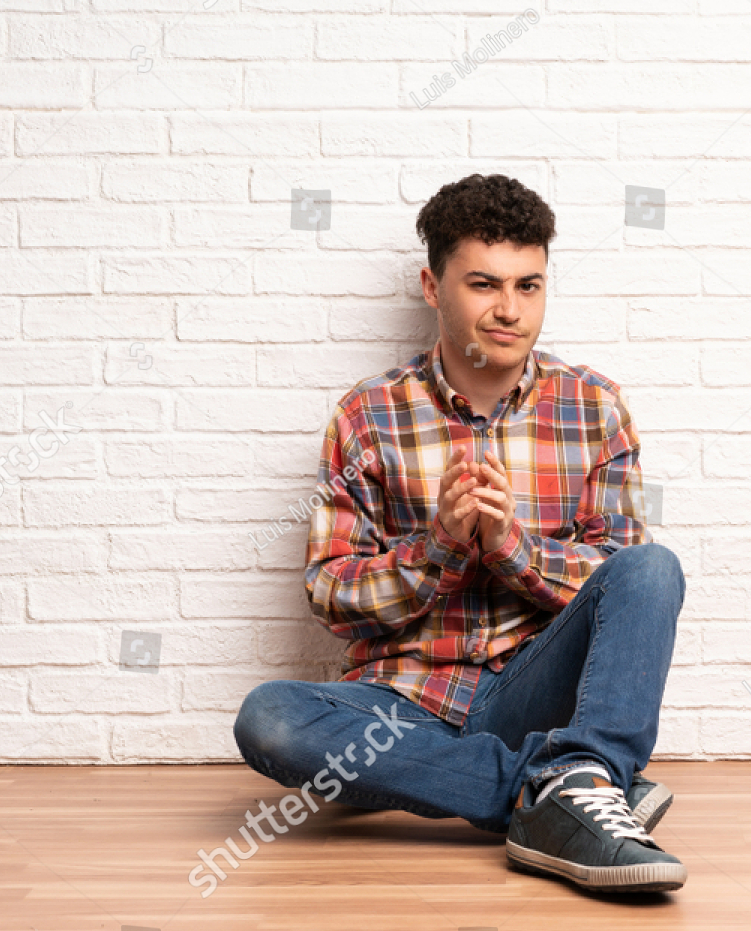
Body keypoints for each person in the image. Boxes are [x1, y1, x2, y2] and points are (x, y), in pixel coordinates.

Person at [233, 173, 688, 893]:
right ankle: (567, 785)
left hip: (530, 689)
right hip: (401, 705)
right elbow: (330, 591)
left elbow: (621, 583)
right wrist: (438, 546)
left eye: (529, 286)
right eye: (483, 284)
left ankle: (566, 773)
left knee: (654, 568)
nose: (509, 310)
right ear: (432, 285)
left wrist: (513, 549)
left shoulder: (594, 407)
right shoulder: (366, 416)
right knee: (270, 720)